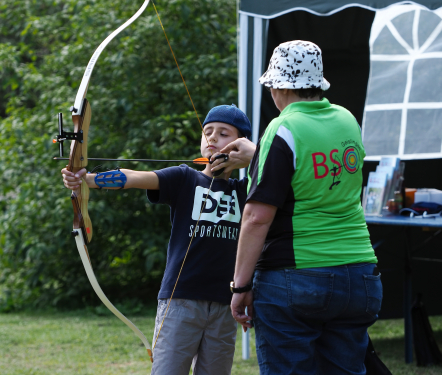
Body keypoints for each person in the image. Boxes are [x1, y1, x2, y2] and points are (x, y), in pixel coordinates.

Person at [62, 104, 255, 375]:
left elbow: (284, 175)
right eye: (207, 132)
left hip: (224, 304)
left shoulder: (247, 190)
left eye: (224, 134)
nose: (212, 138)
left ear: (241, 144)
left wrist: (255, 155)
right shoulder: (184, 178)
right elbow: (133, 178)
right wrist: (88, 180)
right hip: (181, 300)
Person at [230, 40, 383, 375]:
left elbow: (256, 217)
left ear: (280, 85)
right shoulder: (346, 120)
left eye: (271, 85)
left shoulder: (282, 128)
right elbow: (317, 176)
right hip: (359, 276)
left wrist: (240, 286)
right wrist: (260, 155)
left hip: (297, 279)